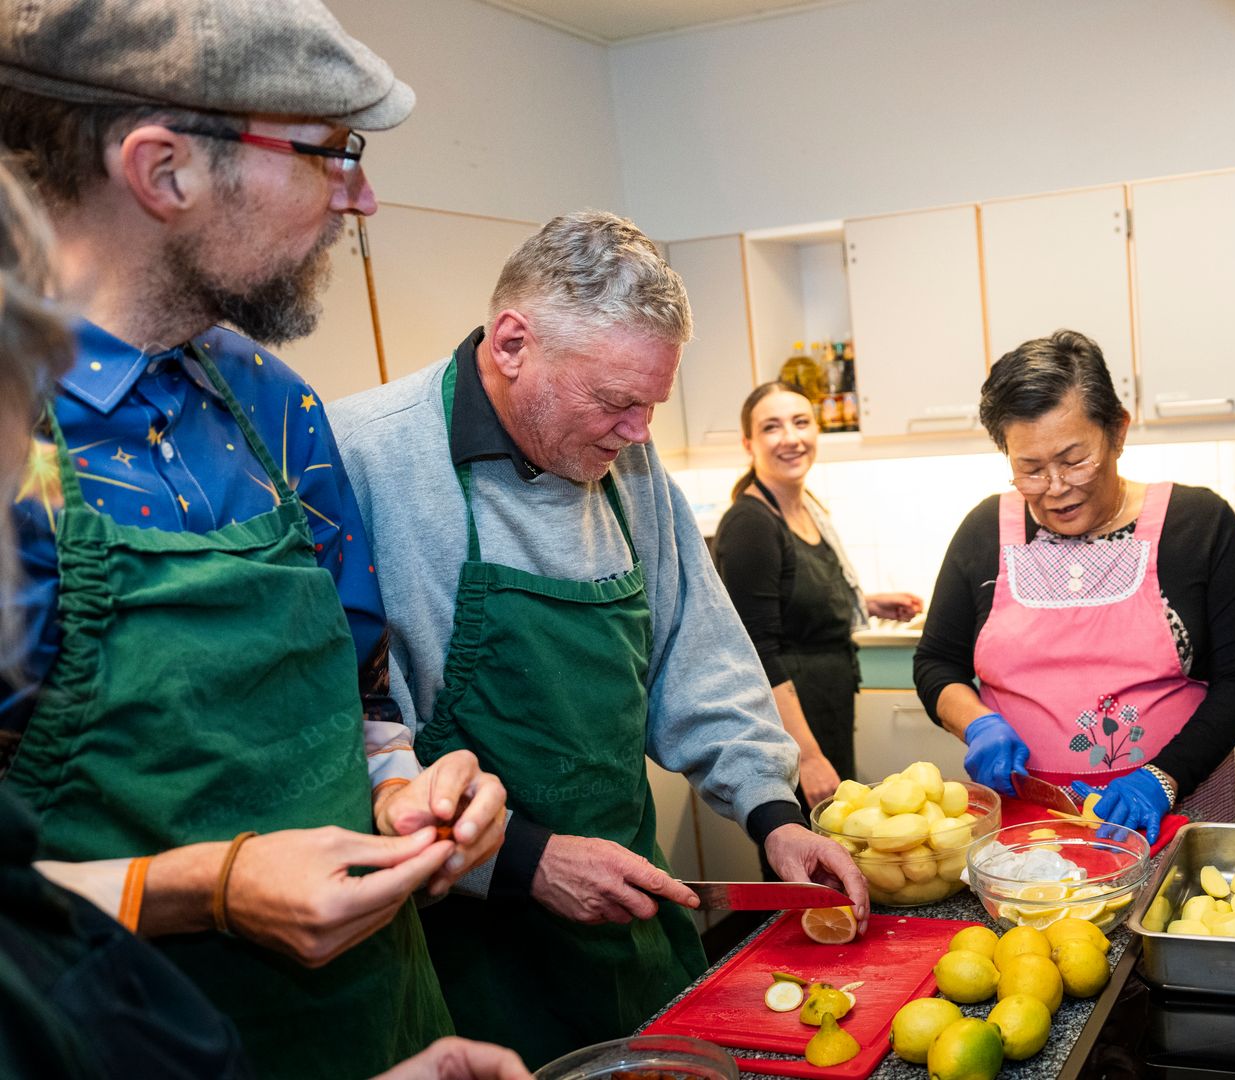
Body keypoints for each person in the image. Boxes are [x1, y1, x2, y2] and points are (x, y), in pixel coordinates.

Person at [0, 2, 512, 1073]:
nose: (362, 199)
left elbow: (359, 698)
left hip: (382, 1026)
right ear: (165, 170)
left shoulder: (274, 403)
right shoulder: (16, 437)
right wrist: (206, 891)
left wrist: (400, 787)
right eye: (332, 155)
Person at [331, 210, 870, 1065]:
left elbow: (700, 656)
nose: (639, 433)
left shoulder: (630, 462)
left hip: (623, 914)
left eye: (653, 404)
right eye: (618, 401)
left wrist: (772, 815)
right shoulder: (359, 457)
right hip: (457, 950)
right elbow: (344, 738)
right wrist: (521, 859)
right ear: (513, 344)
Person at [913, 330, 1235, 843]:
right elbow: (936, 663)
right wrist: (975, 724)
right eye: (1029, 469)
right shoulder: (984, 530)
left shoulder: (1198, 523)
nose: (1056, 488)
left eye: (1074, 459)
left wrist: (1162, 779)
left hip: (1171, 811)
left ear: (1117, 432)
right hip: (1025, 821)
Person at [713, 381, 923, 810]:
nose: (791, 438)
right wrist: (806, 757)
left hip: (825, 712)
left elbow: (791, 602)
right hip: (789, 734)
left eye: (801, 422)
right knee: (802, 863)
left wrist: (864, 604)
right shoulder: (751, 524)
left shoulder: (806, 506)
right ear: (748, 443)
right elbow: (759, 648)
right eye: (772, 427)